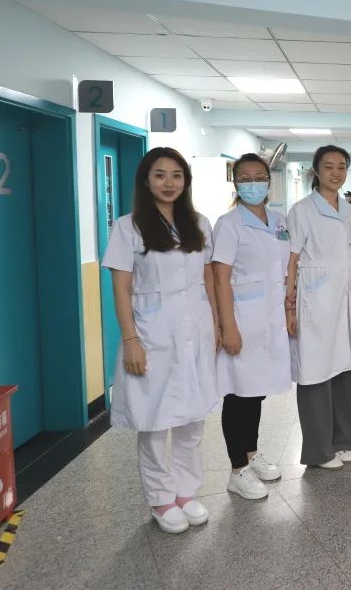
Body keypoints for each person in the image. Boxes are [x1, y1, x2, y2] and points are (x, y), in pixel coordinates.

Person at [102, 147, 220, 534]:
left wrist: (216, 324)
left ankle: (187, 492)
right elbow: (121, 288)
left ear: (186, 181)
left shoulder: (198, 223)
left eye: (176, 175)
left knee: (192, 419)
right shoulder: (129, 227)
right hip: (152, 333)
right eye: (160, 175)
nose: (169, 183)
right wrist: (131, 340)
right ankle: (160, 498)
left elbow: (207, 279)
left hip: (196, 331)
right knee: (154, 420)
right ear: (146, 180)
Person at [212, 153, 292, 500]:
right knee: (238, 394)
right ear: (235, 183)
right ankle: (237, 470)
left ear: (269, 181)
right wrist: (227, 326)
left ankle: (251, 453)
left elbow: (285, 267)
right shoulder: (228, 224)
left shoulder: (280, 221)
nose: (253, 183)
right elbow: (220, 277)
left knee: (255, 391)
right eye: (245, 178)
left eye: (259, 177)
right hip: (242, 319)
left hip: (270, 319)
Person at [286, 145, 351, 470]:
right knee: (315, 372)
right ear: (316, 171)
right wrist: (289, 307)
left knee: (342, 369)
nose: (335, 173)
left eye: (341, 167)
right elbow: (292, 259)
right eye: (328, 166)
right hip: (314, 300)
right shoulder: (301, 210)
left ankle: (342, 441)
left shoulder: (350, 210)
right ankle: (319, 451)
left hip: (343, 299)